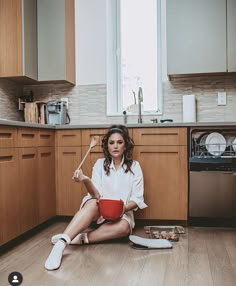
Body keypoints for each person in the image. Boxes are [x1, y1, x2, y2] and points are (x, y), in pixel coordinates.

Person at [44, 124, 147, 270]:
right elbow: (96, 195)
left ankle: (81, 238)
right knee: (92, 203)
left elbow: (137, 199)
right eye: (111, 143)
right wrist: (86, 180)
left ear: (125, 146)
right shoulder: (99, 164)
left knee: (124, 227)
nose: (115, 146)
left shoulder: (135, 167)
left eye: (119, 142)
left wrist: (123, 208)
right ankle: (61, 244)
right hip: (99, 212)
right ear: (107, 146)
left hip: (121, 213)